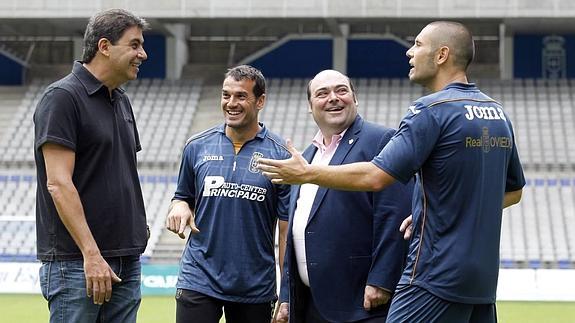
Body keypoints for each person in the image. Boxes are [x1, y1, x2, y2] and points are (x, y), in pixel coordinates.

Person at [259, 21, 525, 323]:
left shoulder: (430, 110)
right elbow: (513, 191)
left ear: (442, 55)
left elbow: (376, 177)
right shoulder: (497, 113)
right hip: (481, 281)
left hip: (433, 276)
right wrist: (435, 207)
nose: (410, 52)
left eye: (419, 45)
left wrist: (307, 174)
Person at [33, 9, 149, 323]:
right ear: (104, 46)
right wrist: (91, 254)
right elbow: (58, 184)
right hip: (78, 263)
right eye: (135, 45)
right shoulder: (62, 98)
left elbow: (121, 174)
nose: (143, 54)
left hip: (126, 258)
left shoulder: (121, 101)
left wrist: (137, 229)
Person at [273, 70, 413, 323]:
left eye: (341, 90)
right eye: (322, 93)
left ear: (354, 98)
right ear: (310, 106)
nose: (333, 98)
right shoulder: (306, 157)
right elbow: (296, 232)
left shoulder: (381, 140)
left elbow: (396, 215)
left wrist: (382, 279)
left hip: (362, 304)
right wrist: (286, 296)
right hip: (311, 304)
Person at [165, 65, 290, 323]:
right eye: (226, 95)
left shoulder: (281, 155)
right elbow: (182, 196)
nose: (231, 103)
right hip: (198, 277)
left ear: (260, 101)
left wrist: (286, 293)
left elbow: (285, 231)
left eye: (241, 96)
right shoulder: (197, 146)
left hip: (254, 285)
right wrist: (179, 205)